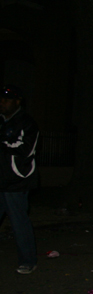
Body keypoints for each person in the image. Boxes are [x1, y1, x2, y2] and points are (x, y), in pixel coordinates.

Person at [0, 86, 40, 274]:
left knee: (18, 221)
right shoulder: (2, 122)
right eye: (1, 100)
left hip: (16, 180)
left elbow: (25, 149)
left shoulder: (26, 122)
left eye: (7, 100)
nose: (3, 103)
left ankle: (28, 261)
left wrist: (3, 145)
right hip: (1, 178)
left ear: (17, 102)